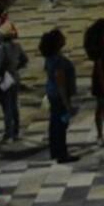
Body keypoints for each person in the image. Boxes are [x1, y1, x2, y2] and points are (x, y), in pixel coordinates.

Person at [40, 28, 77, 163]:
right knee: (61, 125)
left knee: (54, 123)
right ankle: (62, 154)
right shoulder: (58, 61)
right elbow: (60, 82)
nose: (64, 38)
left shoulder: (50, 58)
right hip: (58, 95)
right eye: (62, 37)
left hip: (52, 93)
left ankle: (55, 150)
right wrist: (67, 104)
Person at [0, 21, 26, 142]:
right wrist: (15, 67)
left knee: (7, 107)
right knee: (14, 105)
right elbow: (24, 60)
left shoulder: (2, 49)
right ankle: (16, 130)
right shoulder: (17, 46)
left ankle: (8, 132)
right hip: (15, 77)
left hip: (5, 80)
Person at [84, 18, 104, 143]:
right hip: (102, 77)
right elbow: (99, 66)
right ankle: (100, 134)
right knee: (101, 106)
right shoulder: (99, 45)